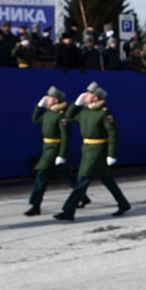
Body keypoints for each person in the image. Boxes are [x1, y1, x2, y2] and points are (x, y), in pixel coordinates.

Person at [54, 82, 131, 220]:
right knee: (106, 179)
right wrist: (75, 104)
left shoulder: (104, 113)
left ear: (96, 98)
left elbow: (113, 134)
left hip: (98, 151)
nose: (85, 95)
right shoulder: (85, 112)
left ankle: (68, 211)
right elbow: (68, 117)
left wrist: (111, 154)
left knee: (82, 179)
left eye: (89, 94)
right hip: (87, 150)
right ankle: (123, 203)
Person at [24, 86, 88, 216]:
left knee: (41, 174)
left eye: (50, 97)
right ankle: (82, 197)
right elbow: (35, 119)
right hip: (47, 148)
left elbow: (65, 137)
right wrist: (38, 106)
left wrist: (62, 155)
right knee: (65, 174)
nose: (47, 99)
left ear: (56, 100)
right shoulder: (48, 114)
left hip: (54, 149)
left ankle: (35, 205)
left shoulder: (61, 116)